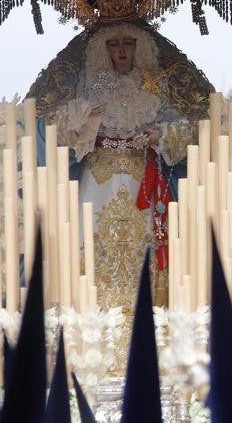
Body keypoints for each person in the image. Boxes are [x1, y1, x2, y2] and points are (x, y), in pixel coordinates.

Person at [53, 22, 195, 311]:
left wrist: (162, 136)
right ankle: (93, 313)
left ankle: (146, 310)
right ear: (104, 49)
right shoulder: (92, 84)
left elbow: (185, 128)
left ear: (137, 47)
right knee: (93, 240)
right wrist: (83, 119)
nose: (121, 50)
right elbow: (64, 129)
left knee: (142, 244)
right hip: (98, 178)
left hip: (141, 176)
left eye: (127, 43)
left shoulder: (153, 83)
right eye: (113, 44)